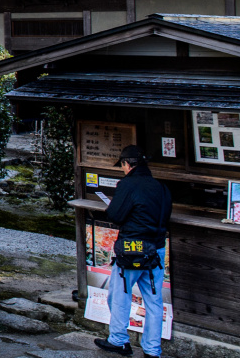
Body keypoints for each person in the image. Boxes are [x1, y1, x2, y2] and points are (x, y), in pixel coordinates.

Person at [96, 145, 172, 357]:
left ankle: (119, 340)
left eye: (122, 165)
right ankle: (152, 350)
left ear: (127, 165)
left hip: (131, 249)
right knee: (154, 301)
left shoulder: (127, 185)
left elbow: (115, 215)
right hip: (156, 249)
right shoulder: (162, 187)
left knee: (120, 296)